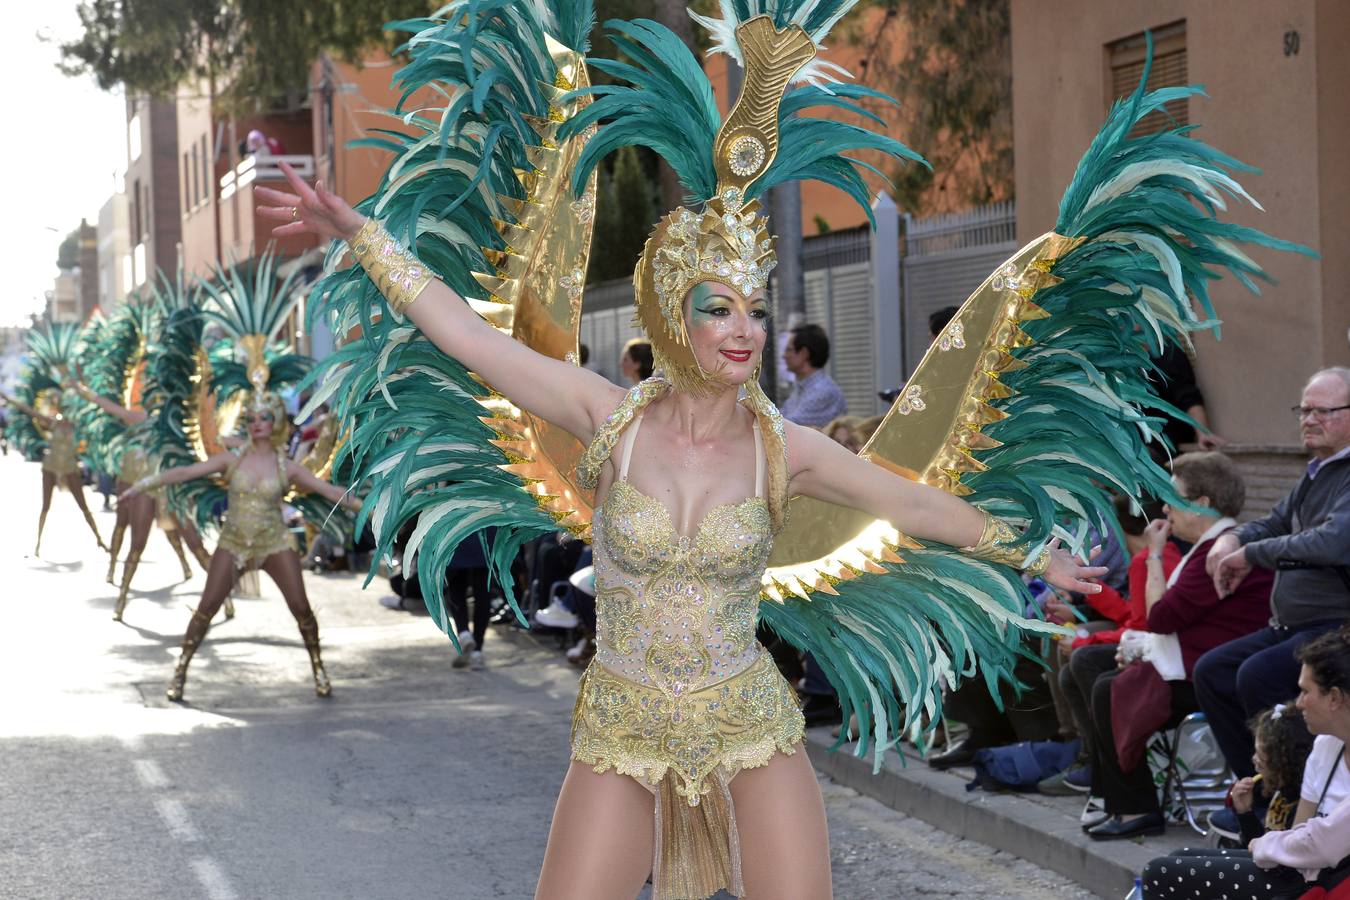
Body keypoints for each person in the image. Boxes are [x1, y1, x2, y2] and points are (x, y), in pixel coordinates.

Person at [258, 116, 1106, 900]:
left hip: (746, 723)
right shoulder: (606, 416)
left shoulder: (789, 450)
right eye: (719, 310)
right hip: (623, 727)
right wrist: (360, 234)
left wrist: (1031, 555)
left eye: (755, 311)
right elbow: (473, 340)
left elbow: (911, 503)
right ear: (674, 317)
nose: (744, 330)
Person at [123, 388, 359, 701]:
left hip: (274, 543)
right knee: (206, 608)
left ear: (275, 421)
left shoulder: (286, 467)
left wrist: (373, 508)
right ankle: (180, 670)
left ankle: (318, 667)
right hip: (233, 542)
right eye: (250, 418)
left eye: (264, 417)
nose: (256, 423)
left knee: (301, 608)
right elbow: (184, 471)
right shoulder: (229, 459)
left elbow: (329, 492)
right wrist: (143, 484)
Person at [1087, 452, 1274, 840]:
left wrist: (1154, 554)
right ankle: (1109, 793)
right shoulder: (1209, 546)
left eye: (1174, 498)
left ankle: (1136, 807)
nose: (1167, 508)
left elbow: (1159, 619)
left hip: (1214, 677)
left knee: (1108, 685)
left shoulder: (1217, 551)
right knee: (1089, 663)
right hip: (1195, 662)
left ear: (1202, 503)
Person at [1197, 367, 1350, 780]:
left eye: (1323, 411)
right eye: (1303, 410)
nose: (1309, 419)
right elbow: (1273, 521)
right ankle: (1257, 783)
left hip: (1336, 627)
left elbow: (1330, 542)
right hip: (1294, 625)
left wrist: (1251, 553)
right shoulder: (1317, 470)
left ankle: (1295, 795)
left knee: (1257, 675)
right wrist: (1232, 540)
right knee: (1213, 671)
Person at [1139, 625, 1350, 899]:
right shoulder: (1325, 745)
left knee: (1161, 874)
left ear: (1334, 698)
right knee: (1181, 856)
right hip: (1307, 872)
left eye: (1305, 691)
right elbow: (1300, 834)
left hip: (1330, 884)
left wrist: (1261, 845)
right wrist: (1254, 828)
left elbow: (1321, 845)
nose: (1298, 703)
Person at [71, 380, 215, 620]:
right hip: (146, 489)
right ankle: (122, 599)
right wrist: (85, 392)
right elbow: (113, 409)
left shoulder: (180, 427)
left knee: (195, 544)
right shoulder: (143, 420)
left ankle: (223, 598)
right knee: (137, 544)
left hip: (172, 491)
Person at [1, 389, 106, 555]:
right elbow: (29, 411)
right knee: (45, 506)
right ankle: (38, 543)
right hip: (50, 466)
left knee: (83, 506)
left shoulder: (78, 426)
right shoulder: (54, 422)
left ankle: (99, 539)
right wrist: (8, 398)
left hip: (70, 467)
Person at [1231, 704, 1316, 844]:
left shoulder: (1300, 807)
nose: (1254, 759)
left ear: (1282, 762)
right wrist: (1245, 812)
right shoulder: (1281, 794)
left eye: (1260, 754)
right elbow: (1258, 844)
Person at [780, 323, 847, 427]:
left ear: (804, 353)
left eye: (789, 350)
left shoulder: (824, 391)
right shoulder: (803, 387)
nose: (784, 356)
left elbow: (788, 426)